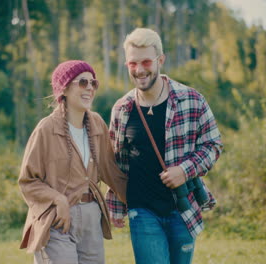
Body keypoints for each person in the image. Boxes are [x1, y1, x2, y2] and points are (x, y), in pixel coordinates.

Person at [106, 28, 223, 264]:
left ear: (161, 60)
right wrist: (115, 205)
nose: (139, 70)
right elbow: (118, 163)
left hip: (182, 208)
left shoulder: (192, 99)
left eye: (146, 61)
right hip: (142, 210)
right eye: (132, 64)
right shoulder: (122, 109)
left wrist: (185, 170)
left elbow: (213, 144)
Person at [18, 60, 127, 264]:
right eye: (82, 82)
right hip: (57, 220)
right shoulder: (46, 129)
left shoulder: (97, 124)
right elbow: (27, 181)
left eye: (93, 83)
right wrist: (58, 199)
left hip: (91, 220)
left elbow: (112, 171)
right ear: (65, 88)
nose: (89, 88)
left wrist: (143, 203)